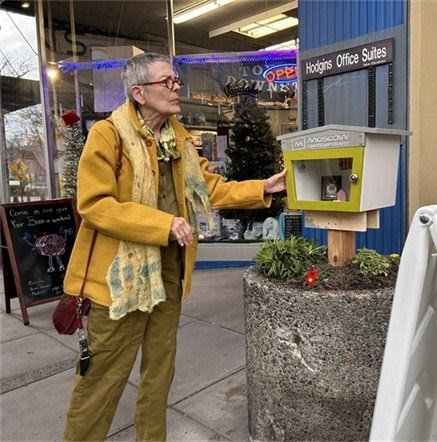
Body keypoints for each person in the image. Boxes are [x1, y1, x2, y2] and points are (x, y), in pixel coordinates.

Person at [62, 52, 286, 441]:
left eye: (176, 81)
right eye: (167, 82)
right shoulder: (108, 135)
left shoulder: (177, 137)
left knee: (159, 373)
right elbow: (95, 205)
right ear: (139, 93)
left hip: (168, 275)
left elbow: (208, 188)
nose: (176, 87)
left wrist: (262, 188)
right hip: (119, 283)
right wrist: (163, 224)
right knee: (102, 379)